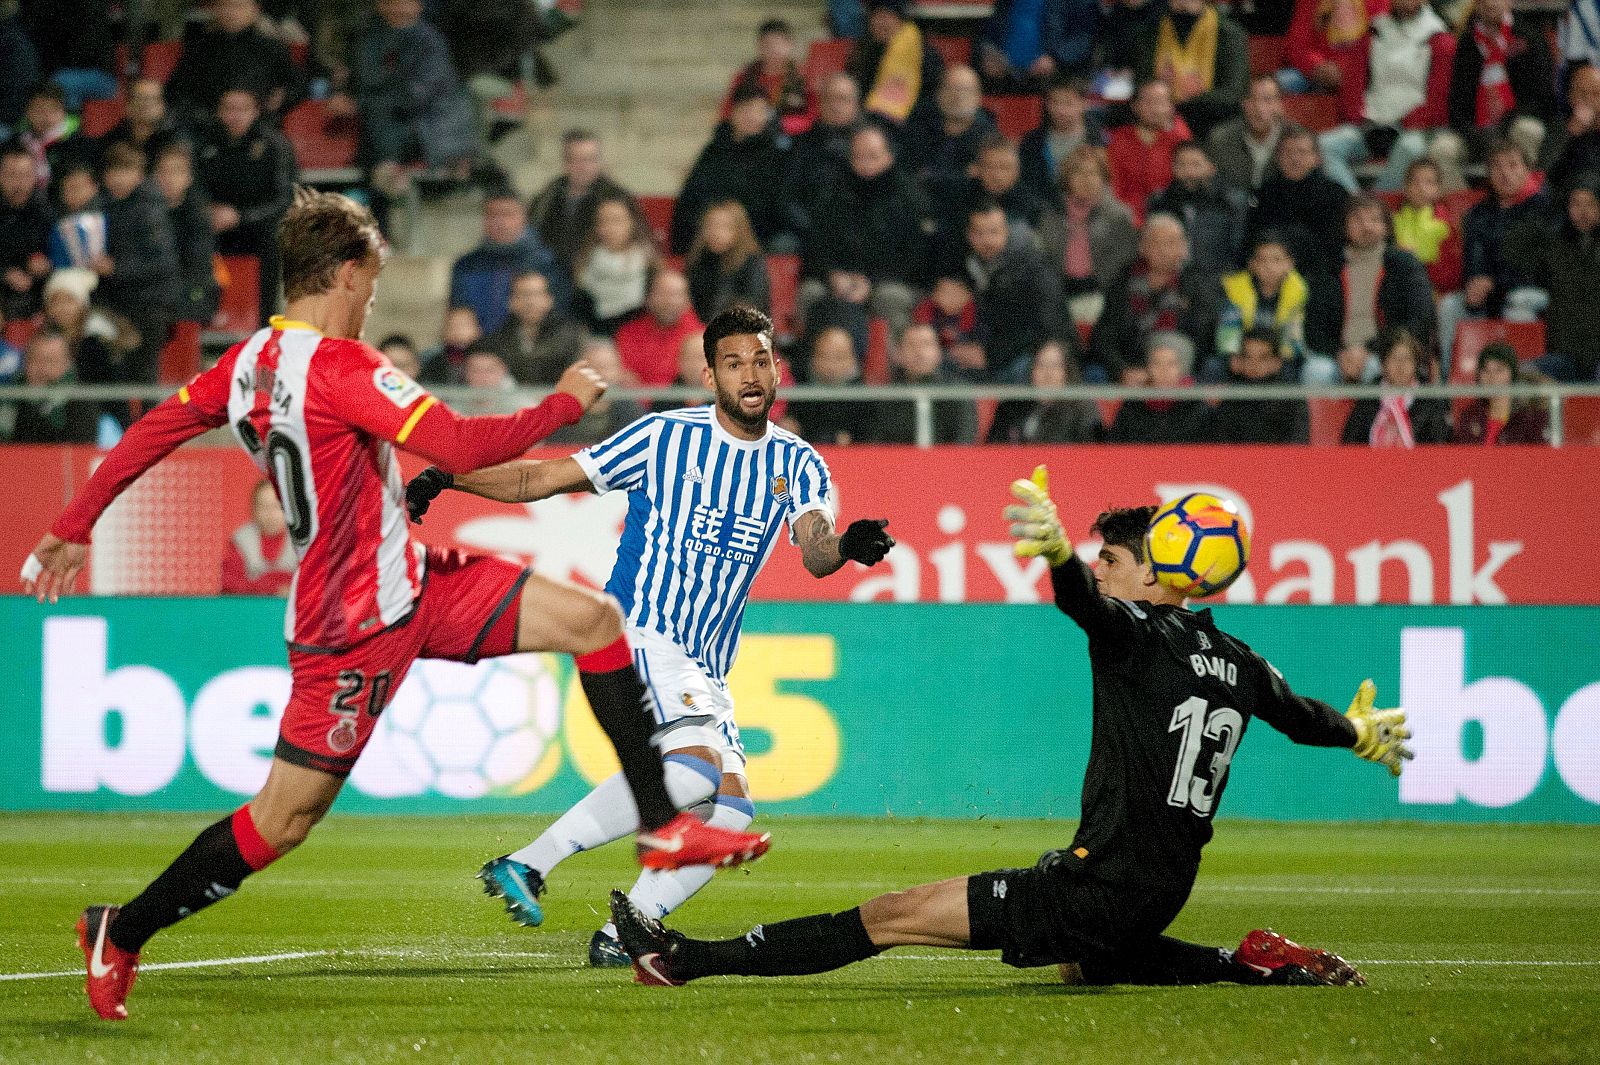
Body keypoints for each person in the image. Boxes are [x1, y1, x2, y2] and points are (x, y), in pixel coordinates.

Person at [28, 188, 772, 1024]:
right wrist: (564, 402)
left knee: (594, 621)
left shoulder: (242, 367)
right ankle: (120, 931)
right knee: (284, 820)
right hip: (350, 626)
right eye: (372, 281)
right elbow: (459, 445)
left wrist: (72, 524)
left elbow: (150, 431)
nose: (374, 297)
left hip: (418, 581)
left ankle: (666, 827)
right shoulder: (342, 367)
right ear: (346, 272)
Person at [606, 466, 1411, 989]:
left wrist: (1058, 554)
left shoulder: (1136, 636)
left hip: (1100, 886)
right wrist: (1363, 732)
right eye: (1091, 555)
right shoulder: (1238, 659)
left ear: (1160, 568)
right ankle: (1256, 965)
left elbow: (1083, 603)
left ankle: (683, 959)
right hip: (1159, 888)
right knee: (1084, 964)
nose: (1100, 566)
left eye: (1111, 557)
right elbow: (1307, 721)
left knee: (894, 913)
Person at [403, 305, 895, 967]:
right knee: (694, 774)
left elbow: (814, 548)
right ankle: (531, 862)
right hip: (642, 630)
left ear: (777, 369)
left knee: (733, 807)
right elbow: (544, 477)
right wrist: (451, 476)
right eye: (733, 362)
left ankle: (628, 925)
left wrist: (847, 548)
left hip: (704, 662)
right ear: (708, 374)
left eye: (760, 359)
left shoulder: (798, 463)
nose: (750, 373)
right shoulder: (664, 436)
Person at [800, 124, 932, 342]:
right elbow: (815, 246)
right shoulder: (832, 193)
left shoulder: (909, 197)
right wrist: (832, 275)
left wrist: (871, 282)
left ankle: (898, 371)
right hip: (838, 278)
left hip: (888, 280)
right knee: (811, 292)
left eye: (873, 156)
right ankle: (812, 369)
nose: (865, 164)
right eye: (858, 156)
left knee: (892, 297)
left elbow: (915, 258)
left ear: (889, 157)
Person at [1315, 0, 1454, 194]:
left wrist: (1400, 123)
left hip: (1414, 127)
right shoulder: (1373, 31)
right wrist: (1362, 117)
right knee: (1323, 145)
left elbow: (1439, 100)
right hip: (1371, 123)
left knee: (1410, 148)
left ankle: (1379, 207)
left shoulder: (1440, 39)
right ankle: (1356, 203)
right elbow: (1353, 86)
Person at [1435, 140, 1551, 373]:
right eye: (1497, 167)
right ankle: (1452, 392)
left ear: (1527, 170)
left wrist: (1494, 285)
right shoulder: (1477, 215)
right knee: (1449, 306)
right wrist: (1475, 286)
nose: (1505, 173)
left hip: (1532, 292)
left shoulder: (1545, 211)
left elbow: (1539, 270)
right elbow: (1473, 264)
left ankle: (1522, 389)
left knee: (1518, 306)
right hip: (1490, 295)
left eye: (1512, 165)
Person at [195, 88, 297, 325]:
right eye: (229, 109)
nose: (235, 115)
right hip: (214, 226)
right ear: (219, 112)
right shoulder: (204, 145)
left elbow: (285, 199)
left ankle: (265, 321)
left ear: (255, 112)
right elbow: (193, 190)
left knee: (273, 240)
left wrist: (241, 216)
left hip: (258, 226)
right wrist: (207, 212)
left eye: (242, 109)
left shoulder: (275, 146)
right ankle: (202, 317)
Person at [1306, 196, 1435, 377]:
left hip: (1386, 352)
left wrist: (1368, 350)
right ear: (1345, 226)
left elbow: (1419, 318)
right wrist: (1340, 354)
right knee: (1316, 370)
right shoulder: (1329, 267)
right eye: (1357, 219)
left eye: (1374, 219)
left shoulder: (1404, 265)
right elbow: (1314, 328)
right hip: (1338, 355)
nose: (1366, 226)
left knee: (1374, 368)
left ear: (1386, 227)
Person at [1089, 214, 1218, 384]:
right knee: (1094, 374)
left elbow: (1203, 338)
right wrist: (1122, 370)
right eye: (1157, 243)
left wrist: (1165, 371)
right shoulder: (1123, 282)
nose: (1164, 250)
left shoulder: (1198, 284)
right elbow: (1104, 336)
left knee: (1212, 368)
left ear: (1184, 248)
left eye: (1171, 243)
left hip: (1179, 369)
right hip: (1131, 366)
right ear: (1143, 247)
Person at [670, 85, 789, 255]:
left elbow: (774, 207)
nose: (754, 117)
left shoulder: (776, 155)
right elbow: (691, 199)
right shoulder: (714, 151)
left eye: (761, 111)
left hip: (754, 240)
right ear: (733, 112)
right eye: (747, 109)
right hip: (710, 238)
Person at [1504, 174, 1600, 383]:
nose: (1582, 211)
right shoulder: (1556, 245)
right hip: (1564, 356)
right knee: (1520, 376)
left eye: (1590, 204)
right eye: (1575, 203)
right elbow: (1512, 251)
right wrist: (1549, 213)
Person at [97, 144, 180, 384]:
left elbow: (163, 261)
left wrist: (117, 268)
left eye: (127, 171)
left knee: (143, 372)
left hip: (151, 303)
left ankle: (146, 418)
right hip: (121, 299)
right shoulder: (106, 206)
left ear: (140, 175)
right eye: (114, 171)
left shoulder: (150, 208)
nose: (119, 178)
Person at [957, 200, 1065, 381]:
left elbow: (1043, 325)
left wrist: (989, 355)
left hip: (1032, 350)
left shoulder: (1035, 268)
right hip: (989, 350)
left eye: (994, 232)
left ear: (1006, 232)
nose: (987, 240)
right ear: (969, 236)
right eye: (979, 233)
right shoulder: (964, 269)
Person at [1038, 144, 1140, 329]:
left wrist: (1093, 283)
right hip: (1058, 296)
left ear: (1104, 178)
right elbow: (1042, 258)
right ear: (1067, 179)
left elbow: (1125, 260)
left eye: (1094, 173)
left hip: (1106, 298)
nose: (1087, 179)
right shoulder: (1050, 215)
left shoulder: (1119, 216)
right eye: (1078, 173)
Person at [1446, 0, 1555, 166]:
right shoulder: (1467, 42)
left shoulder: (1529, 37)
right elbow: (1457, 102)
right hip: (1476, 131)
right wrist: (1472, 132)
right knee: (1443, 149)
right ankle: (1461, 192)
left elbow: (1541, 97)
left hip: (1516, 122)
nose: (1491, 3)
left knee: (1528, 130)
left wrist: (1507, 121)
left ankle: (1526, 191)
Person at [167, 0, 305, 122]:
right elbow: (176, 90)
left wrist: (281, 99)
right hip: (206, 123)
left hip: (257, 124)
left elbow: (297, 87)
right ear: (214, 9)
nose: (231, 13)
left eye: (238, 6)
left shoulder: (273, 48)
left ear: (255, 10)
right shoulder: (199, 47)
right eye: (224, 6)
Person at [450, 191, 567, 334]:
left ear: (524, 217)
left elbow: (559, 317)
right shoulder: (467, 266)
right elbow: (458, 314)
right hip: (479, 348)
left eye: (507, 214)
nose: (500, 222)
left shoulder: (548, 264)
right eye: (492, 215)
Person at [1134, 0, 1249, 138]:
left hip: (1212, 123)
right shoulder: (1150, 32)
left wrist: (1181, 102)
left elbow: (1234, 94)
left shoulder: (1229, 34)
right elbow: (1141, 85)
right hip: (1159, 122)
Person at [1247, 128, 1349, 283]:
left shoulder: (1335, 194)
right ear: (1278, 158)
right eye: (1288, 152)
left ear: (1316, 158)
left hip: (1320, 275)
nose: (1294, 158)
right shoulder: (1264, 193)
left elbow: (1336, 245)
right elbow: (1254, 238)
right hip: (1271, 276)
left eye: (1302, 152)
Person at [528, 129, 638, 272]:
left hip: (600, 274)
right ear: (565, 162)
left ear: (599, 161)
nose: (583, 167)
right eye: (576, 159)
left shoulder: (617, 199)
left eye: (590, 159)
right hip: (551, 273)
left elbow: (637, 241)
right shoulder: (546, 198)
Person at [779, 73, 864, 247]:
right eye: (829, 99)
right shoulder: (800, 145)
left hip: (860, 234)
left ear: (856, 104)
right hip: (809, 232)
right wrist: (814, 230)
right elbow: (787, 198)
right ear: (820, 103)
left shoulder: (871, 145)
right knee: (782, 245)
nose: (835, 106)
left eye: (843, 99)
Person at [1145, 141, 1246, 283]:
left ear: (1211, 168)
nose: (1189, 172)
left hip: (1217, 283)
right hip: (1170, 282)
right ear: (1173, 168)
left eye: (1196, 165)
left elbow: (1238, 253)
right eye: (1181, 165)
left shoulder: (1230, 203)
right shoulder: (1160, 202)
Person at [1341, 327, 1451, 445]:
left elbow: (1439, 446)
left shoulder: (1429, 401)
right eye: (1394, 358)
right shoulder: (1368, 397)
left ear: (1416, 364)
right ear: (1383, 363)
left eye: (1407, 359)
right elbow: (1350, 442)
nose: (1401, 365)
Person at [152, 143, 221, 328]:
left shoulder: (198, 216)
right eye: (163, 171)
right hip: (152, 291)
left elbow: (198, 266)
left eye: (177, 171)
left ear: (189, 178)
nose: (169, 179)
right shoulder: (142, 213)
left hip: (188, 292)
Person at [874, 321, 979, 442]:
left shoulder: (957, 393)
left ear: (938, 353)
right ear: (899, 355)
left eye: (926, 344)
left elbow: (964, 442)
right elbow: (876, 445)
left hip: (947, 460)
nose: (919, 352)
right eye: (911, 345)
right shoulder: (887, 397)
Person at [847, 0, 944, 127]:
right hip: (868, 121)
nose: (882, 23)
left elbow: (934, 96)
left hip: (913, 122)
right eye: (877, 17)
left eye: (888, 17)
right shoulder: (863, 52)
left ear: (901, 21)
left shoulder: (924, 54)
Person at [1107, 80, 1192, 224]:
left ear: (1172, 107)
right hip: (1123, 219)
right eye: (1147, 102)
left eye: (1160, 102)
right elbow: (1111, 186)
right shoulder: (1116, 140)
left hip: (1169, 220)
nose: (1154, 108)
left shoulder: (1182, 141)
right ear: (1135, 106)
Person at [479, 269, 584, 386]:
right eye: (524, 294)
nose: (530, 301)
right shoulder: (497, 339)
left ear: (549, 299)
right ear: (511, 301)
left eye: (536, 294)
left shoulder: (570, 335)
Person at [573, 194, 659, 335]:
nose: (609, 228)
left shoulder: (650, 267)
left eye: (616, 221)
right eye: (603, 221)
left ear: (633, 223)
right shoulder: (583, 266)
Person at [986, 339, 1102, 443]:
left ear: (1067, 372)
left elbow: (1092, 454)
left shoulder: (1082, 409)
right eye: (1041, 365)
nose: (1048, 373)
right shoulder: (1011, 407)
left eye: (1055, 365)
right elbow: (993, 449)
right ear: (1031, 371)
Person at [1207, 325, 1309, 442]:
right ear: (1238, 360)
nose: (1253, 364)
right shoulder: (1228, 394)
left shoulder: (1290, 396)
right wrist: (1213, 407)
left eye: (1263, 358)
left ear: (1277, 362)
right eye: (1248, 357)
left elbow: (1298, 443)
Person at [901, 66, 997, 190]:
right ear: (938, 94)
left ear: (978, 96)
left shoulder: (989, 137)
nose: (957, 96)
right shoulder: (918, 125)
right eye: (951, 89)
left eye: (965, 90)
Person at [720, 18, 816, 138]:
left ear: (790, 45)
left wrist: (780, 125)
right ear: (759, 47)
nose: (774, 50)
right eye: (768, 45)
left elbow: (814, 117)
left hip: (794, 139)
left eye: (779, 44)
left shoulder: (803, 77)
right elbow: (727, 113)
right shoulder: (745, 77)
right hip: (751, 139)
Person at [1106, 332, 1210, 442]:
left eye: (1171, 364)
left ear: (1184, 368)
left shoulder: (1196, 406)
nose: (1163, 371)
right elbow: (1115, 445)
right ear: (1148, 367)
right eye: (1156, 363)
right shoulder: (1134, 403)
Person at [1206, 74, 1301, 193]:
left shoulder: (1297, 139)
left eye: (1268, 100)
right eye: (1252, 100)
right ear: (1243, 103)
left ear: (1280, 104)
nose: (1260, 108)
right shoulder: (1221, 138)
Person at [977, 0, 1100, 92]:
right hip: (1003, 75)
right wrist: (990, 53)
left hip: (1055, 77)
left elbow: (1085, 37)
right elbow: (990, 30)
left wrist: (1055, 59)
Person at [0, 329, 98, 443]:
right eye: (34, 359)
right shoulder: (10, 396)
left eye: (51, 361)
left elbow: (81, 449)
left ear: (67, 364)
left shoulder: (81, 399)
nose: (42, 368)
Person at [1019, 77, 1107, 204]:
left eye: (1068, 103)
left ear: (1083, 104)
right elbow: (1027, 186)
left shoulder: (1099, 142)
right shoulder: (1031, 142)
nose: (1061, 110)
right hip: (1043, 210)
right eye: (1055, 102)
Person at [548, 337, 648, 445]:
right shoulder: (562, 413)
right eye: (595, 367)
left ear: (620, 370)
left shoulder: (631, 411)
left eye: (608, 368)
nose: (602, 374)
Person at [787, 324, 876, 445]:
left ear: (853, 359)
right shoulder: (799, 393)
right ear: (813, 358)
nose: (831, 365)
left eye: (839, 357)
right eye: (825, 356)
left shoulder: (866, 399)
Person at [685, 200, 771, 322]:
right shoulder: (697, 261)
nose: (716, 233)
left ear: (739, 231)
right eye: (710, 226)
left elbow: (750, 308)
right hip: (698, 331)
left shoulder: (751, 262)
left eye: (724, 227)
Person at [615, 271, 705, 386]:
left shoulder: (702, 337)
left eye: (676, 294)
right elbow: (623, 376)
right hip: (637, 402)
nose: (669, 301)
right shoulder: (628, 334)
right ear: (648, 298)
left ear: (688, 300)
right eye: (662, 293)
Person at [1452, 341, 1549, 443]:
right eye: (1485, 370)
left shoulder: (1531, 418)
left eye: (1499, 370)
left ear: (1512, 375)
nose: (1491, 377)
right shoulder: (1470, 415)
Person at [0, 140, 53, 320]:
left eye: (26, 175)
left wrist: (47, 264)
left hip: (39, 293)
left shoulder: (46, 211)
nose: (19, 183)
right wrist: (5, 273)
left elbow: (60, 256)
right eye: (12, 175)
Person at [1391, 158, 1462, 293]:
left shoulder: (1446, 224)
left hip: (1432, 290)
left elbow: (1450, 272)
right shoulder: (1392, 220)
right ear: (1405, 188)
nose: (1421, 188)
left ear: (1439, 189)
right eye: (1415, 182)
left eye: (1429, 182)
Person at [221, 479, 296, 596]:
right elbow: (229, 584)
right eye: (264, 507)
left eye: (276, 506)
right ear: (254, 509)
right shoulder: (241, 540)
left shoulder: (301, 541)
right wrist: (273, 589)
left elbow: (313, 582)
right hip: (250, 610)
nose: (270, 514)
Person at [98, 79, 187, 167]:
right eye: (139, 98)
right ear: (127, 105)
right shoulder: (110, 141)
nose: (145, 105)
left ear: (163, 106)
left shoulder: (176, 141)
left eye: (152, 99)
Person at [419, 305, 482, 384]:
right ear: (443, 331)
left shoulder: (490, 357)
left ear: (478, 330)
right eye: (452, 325)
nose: (459, 330)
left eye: (464, 325)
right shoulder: (430, 358)